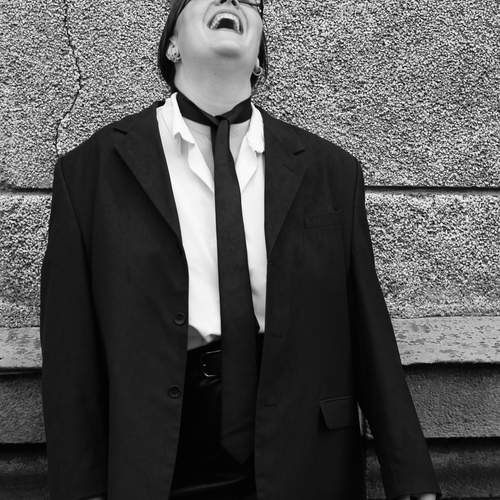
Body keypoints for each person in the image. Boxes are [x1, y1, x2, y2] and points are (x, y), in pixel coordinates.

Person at [39, 0, 443, 498]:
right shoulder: (90, 172)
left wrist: (411, 478)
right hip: (156, 457)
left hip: (304, 453)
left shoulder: (330, 172)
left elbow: (368, 328)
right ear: (172, 44)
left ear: (258, 57)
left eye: (250, 1)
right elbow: (70, 352)